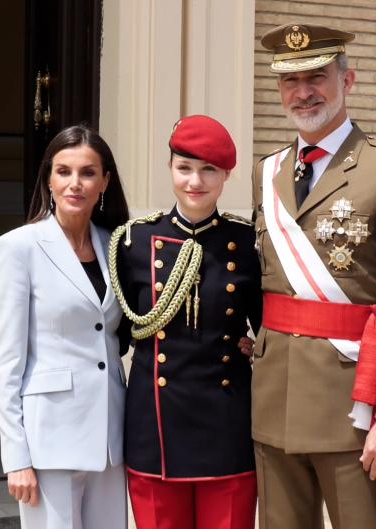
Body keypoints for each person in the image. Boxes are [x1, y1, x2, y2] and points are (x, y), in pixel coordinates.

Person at [250, 23, 376, 528]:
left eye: (317, 76)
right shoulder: (266, 172)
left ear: (347, 80)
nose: (303, 91)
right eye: (290, 81)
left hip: (354, 411)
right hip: (274, 402)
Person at [108, 115, 261, 529]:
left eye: (209, 169)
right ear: (170, 169)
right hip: (154, 430)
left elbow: (269, 331)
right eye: (184, 168)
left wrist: (256, 350)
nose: (196, 181)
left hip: (227, 423)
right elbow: (117, 335)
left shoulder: (248, 244)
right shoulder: (133, 242)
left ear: (227, 174)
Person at [0, 125, 131, 529]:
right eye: (63, 171)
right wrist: (16, 458)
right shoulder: (18, 248)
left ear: (104, 182)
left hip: (109, 438)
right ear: (48, 178)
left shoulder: (116, 243)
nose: (75, 183)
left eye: (88, 172)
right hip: (48, 438)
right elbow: (6, 361)